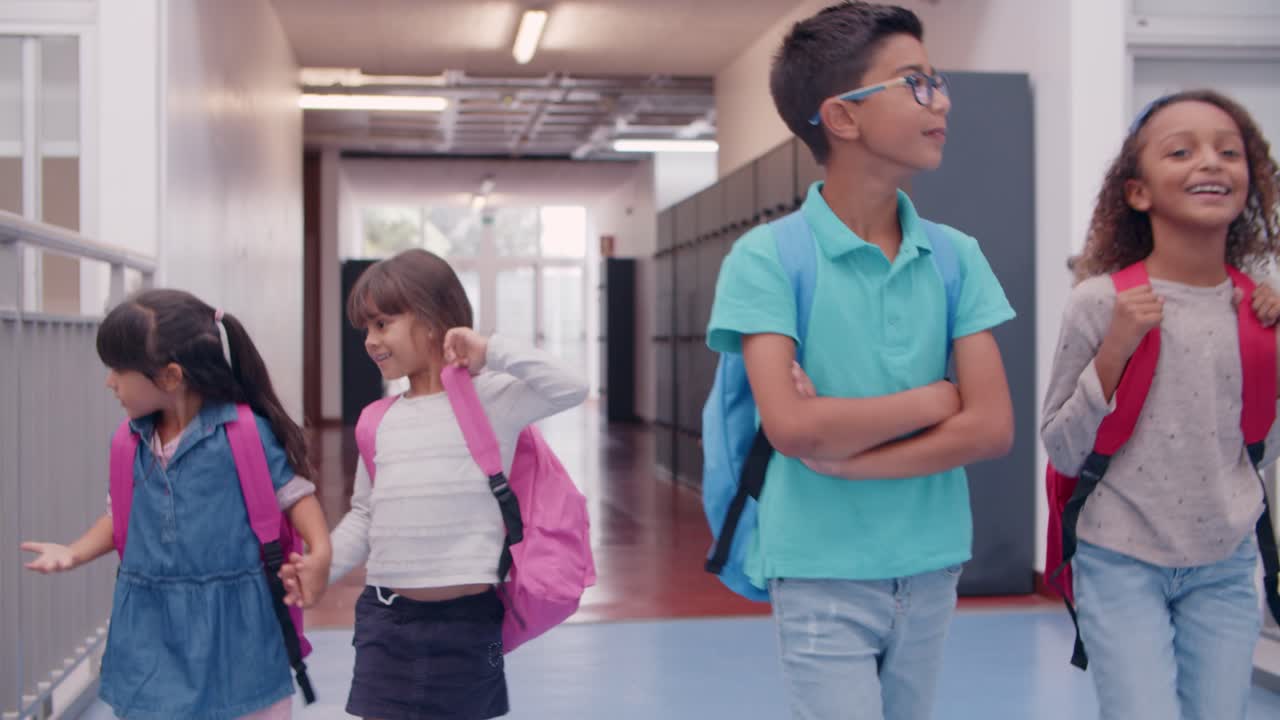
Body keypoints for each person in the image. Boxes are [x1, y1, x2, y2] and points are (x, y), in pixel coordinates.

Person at [705, 3, 1016, 718]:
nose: (941, 98)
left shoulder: (954, 256)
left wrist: (850, 452)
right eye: (915, 83)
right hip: (819, 567)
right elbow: (792, 429)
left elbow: (993, 427)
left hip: (933, 562)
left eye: (936, 80)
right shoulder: (767, 258)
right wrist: (937, 402)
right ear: (842, 117)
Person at [21, 288, 330, 720]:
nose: (110, 382)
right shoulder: (130, 443)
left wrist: (321, 552)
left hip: (236, 627)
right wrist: (72, 552)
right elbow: (122, 517)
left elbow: (296, 495)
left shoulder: (243, 434)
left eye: (119, 369)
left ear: (169, 377)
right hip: (152, 625)